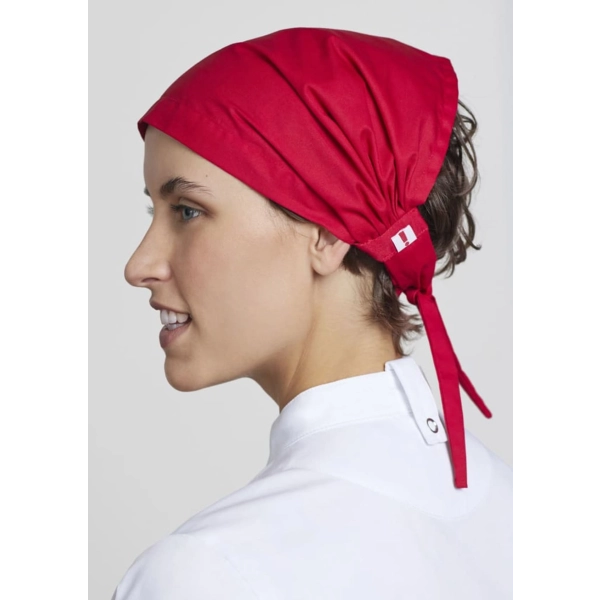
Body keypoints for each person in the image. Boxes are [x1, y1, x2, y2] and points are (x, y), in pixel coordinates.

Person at [113, 27, 516, 599]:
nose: (139, 265)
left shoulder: (207, 572)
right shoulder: (506, 512)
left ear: (327, 232)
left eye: (187, 211)